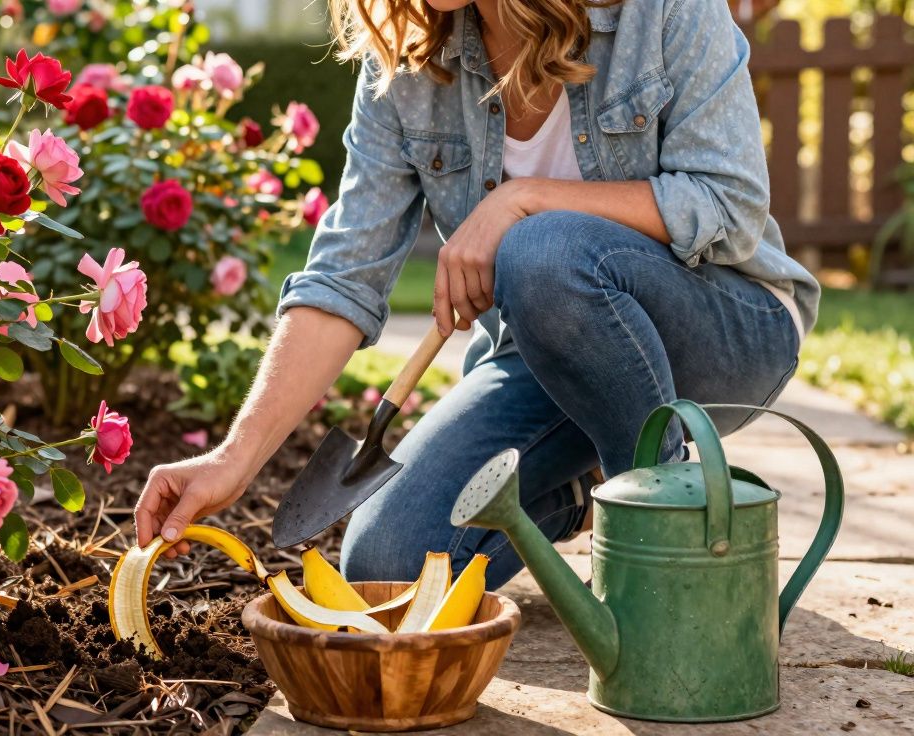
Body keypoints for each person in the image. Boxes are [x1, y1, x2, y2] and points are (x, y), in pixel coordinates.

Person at [134, 0, 817, 589]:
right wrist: (233, 456)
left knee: (542, 252)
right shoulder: (407, 66)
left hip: (726, 327)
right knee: (387, 566)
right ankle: (569, 495)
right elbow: (345, 276)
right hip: (546, 357)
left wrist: (523, 200)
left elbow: (728, 203)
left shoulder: (660, 13)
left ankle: (660, 526)